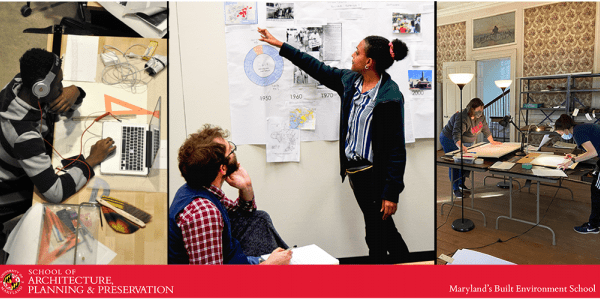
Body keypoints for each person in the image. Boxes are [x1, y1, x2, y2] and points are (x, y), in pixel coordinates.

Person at [258, 27, 410, 263]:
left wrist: (391, 193)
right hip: (356, 175)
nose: (352, 55)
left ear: (368, 62)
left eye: (357, 52)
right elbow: (316, 67)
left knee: (378, 232)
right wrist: (281, 45)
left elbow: (396, 150)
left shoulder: (390, 95)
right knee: (380, 229)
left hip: (374, 176)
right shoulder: (350, 82)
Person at [0, 48, 115, 222]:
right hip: (10, 182)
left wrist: (76, 91)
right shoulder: (25, 137)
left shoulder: (20, 84)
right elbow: (56, 192)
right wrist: (92, 159)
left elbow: (58, 105)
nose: (63, 88)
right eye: (59, 84)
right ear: (40, 90)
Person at [169, 124, 292, 264]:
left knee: (260, 218)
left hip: (233, 259)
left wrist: (246, 188)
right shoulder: (204, 212)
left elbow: (244, 214)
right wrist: (268, 265)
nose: (234, 152)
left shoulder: (197, 188)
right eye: (230, 151)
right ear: (222, 168)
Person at [439, 98, 501, 198]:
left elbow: (485, 128)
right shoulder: (463, 117)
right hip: (450, 139)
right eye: (478, 111)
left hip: (466, 140)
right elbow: (456, 134)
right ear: (471, 109)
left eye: (482, 111)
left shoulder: (481, 117)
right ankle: (455, 189)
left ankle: (461, 183)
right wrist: (460, 146)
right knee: (456, 163)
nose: (480, 113)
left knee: (466, 162)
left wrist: (492, 141)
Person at [555, 114, 600, 234]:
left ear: (565, 129)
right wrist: (576, 157)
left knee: (597, 192)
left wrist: (572, 161)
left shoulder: (577, 132)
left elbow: (592, 152)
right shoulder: (581, 128)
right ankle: (595, 223)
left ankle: (593, 226)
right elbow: (594, 150)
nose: (562, 135)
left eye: (560, 133)